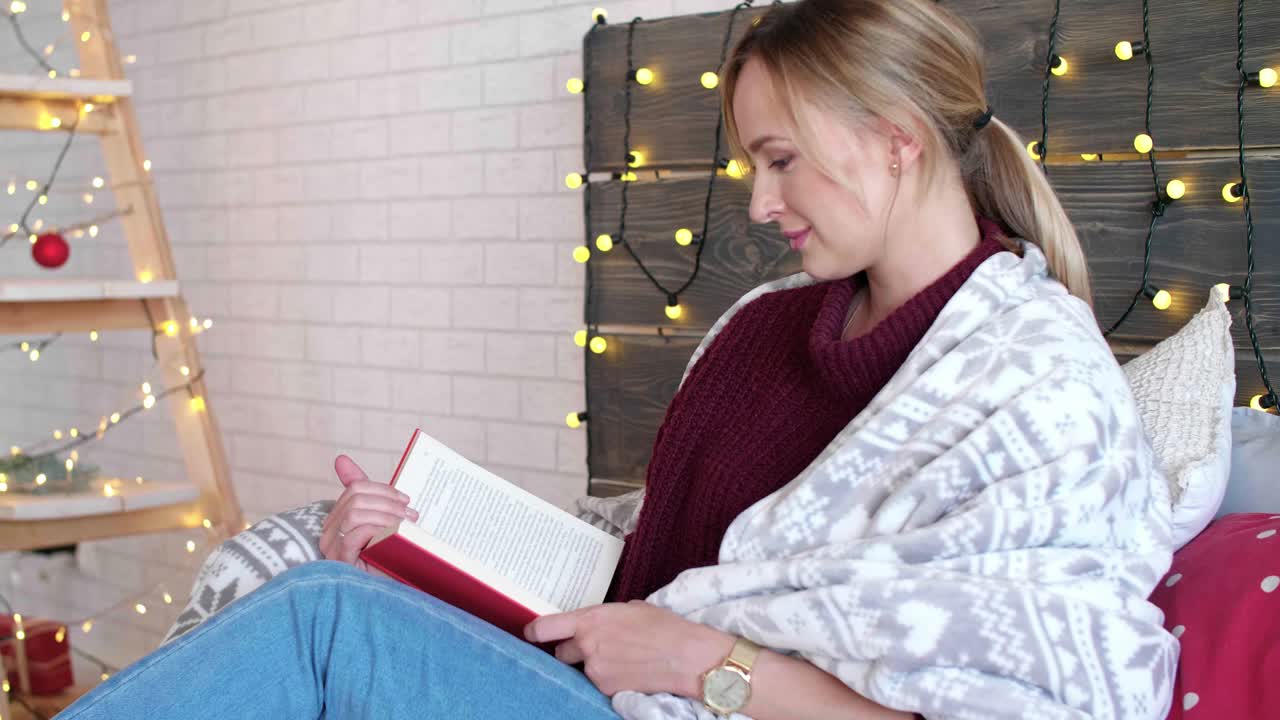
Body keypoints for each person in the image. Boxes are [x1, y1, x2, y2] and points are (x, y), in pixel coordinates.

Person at [60, 0, 1176, 718]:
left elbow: (1045, 698)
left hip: (680, 705)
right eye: (751, 161)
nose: (758, 200)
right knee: (309, 552)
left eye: (780, 159)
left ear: (896, 138)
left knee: (319, 621)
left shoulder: (1026, 384)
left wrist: (700, 665)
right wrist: (422, 551)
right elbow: (648, 556)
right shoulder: (761, 329)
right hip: (593, 669)